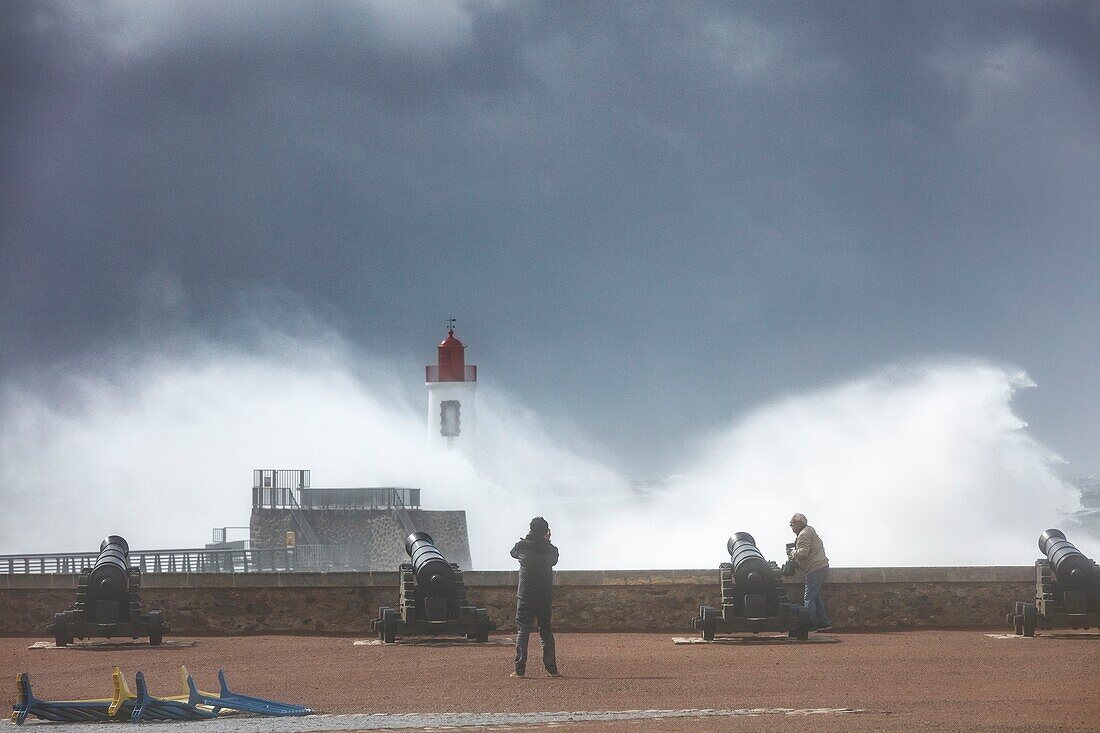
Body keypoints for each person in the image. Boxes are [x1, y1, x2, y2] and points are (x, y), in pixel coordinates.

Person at [510, 516, 560, 677]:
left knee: (523, 631)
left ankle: (519, 670)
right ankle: (552, 669)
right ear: (546, 531)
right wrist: (547, 540)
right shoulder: (551, 550)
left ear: (531, 529)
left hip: (524, 595)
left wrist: (527, 538)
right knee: (546, 632)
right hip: (544, 596)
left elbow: (513, 553)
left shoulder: (522, 545)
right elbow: (554, 560)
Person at [786, 513, 832, 631]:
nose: (791, 529)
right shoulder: (809, 531)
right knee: (815, 596)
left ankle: (809, 623)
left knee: (808, 598)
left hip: (815, 568)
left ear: (798, 523)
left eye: (792, 525)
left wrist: (791, 552)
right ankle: (824, 622)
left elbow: (802, 553)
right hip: (820, 566)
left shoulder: (804, 534)